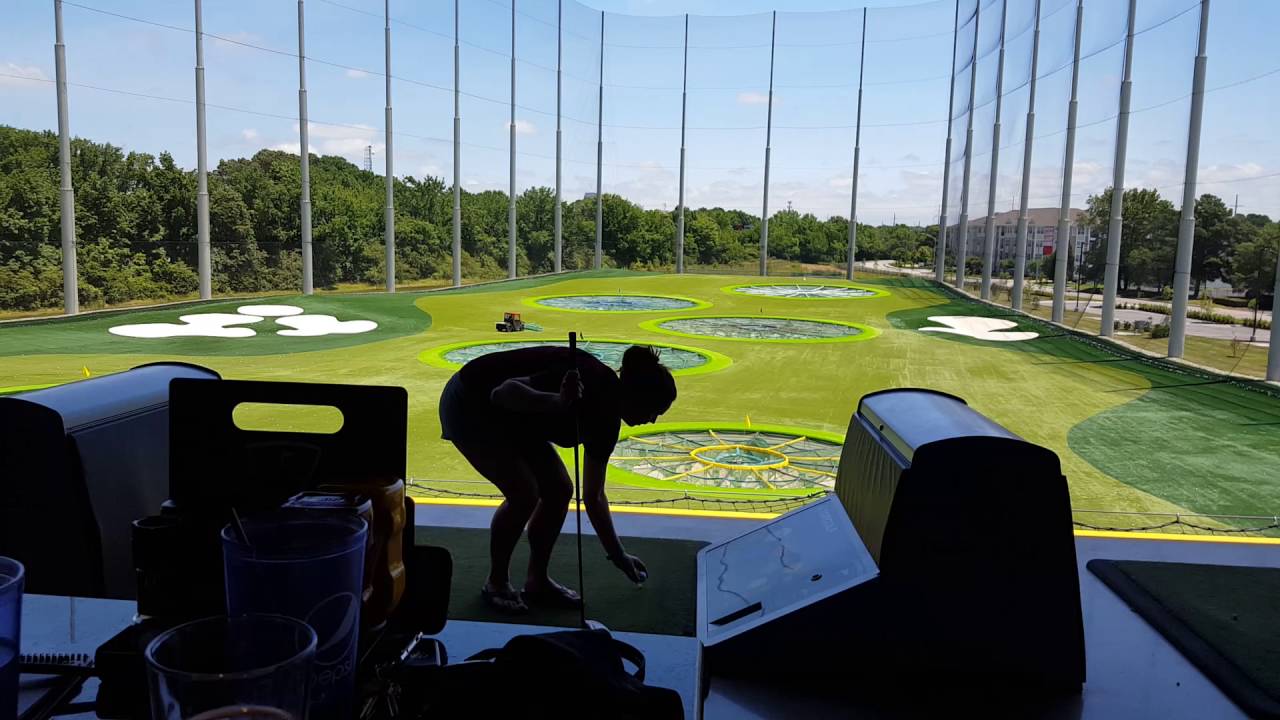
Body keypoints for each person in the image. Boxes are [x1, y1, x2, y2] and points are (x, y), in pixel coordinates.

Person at [439, 344, 677, 613]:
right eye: (654, 410)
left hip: (515, 419)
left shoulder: (607, 424)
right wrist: (558, 402)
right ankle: (496, 582)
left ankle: (537, 581)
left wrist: (618, 555)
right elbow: (503, 393)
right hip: (470, 399)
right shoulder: (586, 377)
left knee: (559, 490)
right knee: (523, 494)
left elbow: (594, 496)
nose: (653, 420)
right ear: (637, 397)